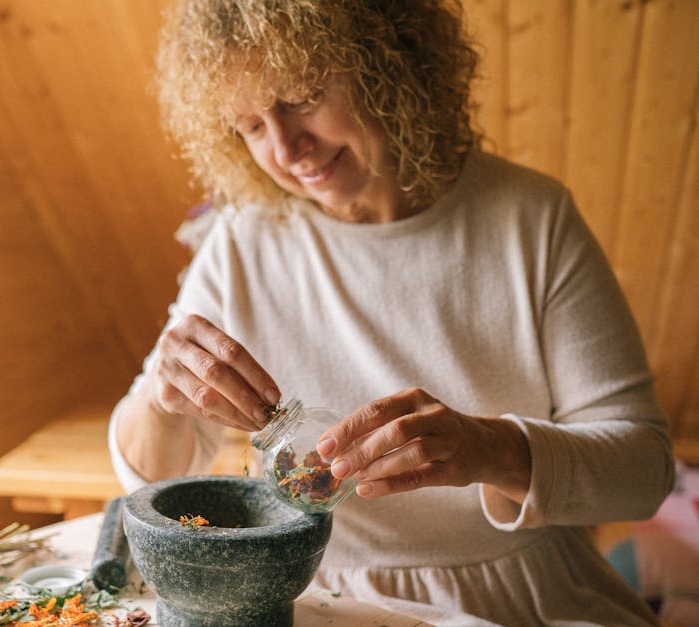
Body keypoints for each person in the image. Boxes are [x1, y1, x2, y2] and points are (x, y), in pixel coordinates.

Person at [107, 1, 676, 624]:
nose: (286, 148)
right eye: (250, 126)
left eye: (302, 97)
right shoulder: (242, 241)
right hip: (320, 605)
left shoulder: (531, 220)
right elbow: (146, 476)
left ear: (387, 63)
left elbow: (644, 471)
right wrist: (162, 399)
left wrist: (492, 449)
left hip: (520, 599)